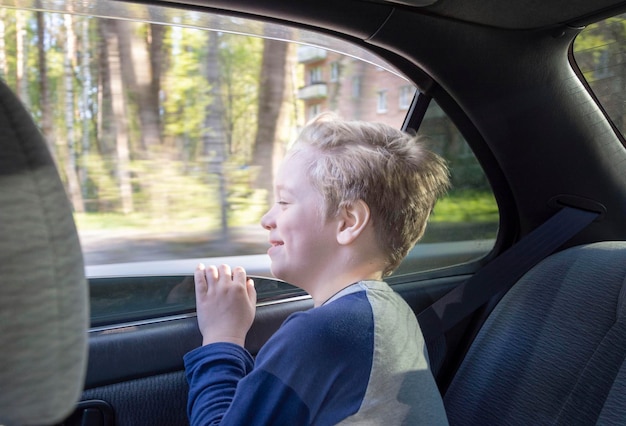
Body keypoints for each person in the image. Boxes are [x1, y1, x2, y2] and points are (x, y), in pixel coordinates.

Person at [184, 112, 451, 425]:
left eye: (284, 202)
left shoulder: (329, 332)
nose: (266, 219)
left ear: (348, 221)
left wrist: (222, 335)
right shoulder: (391, 314)